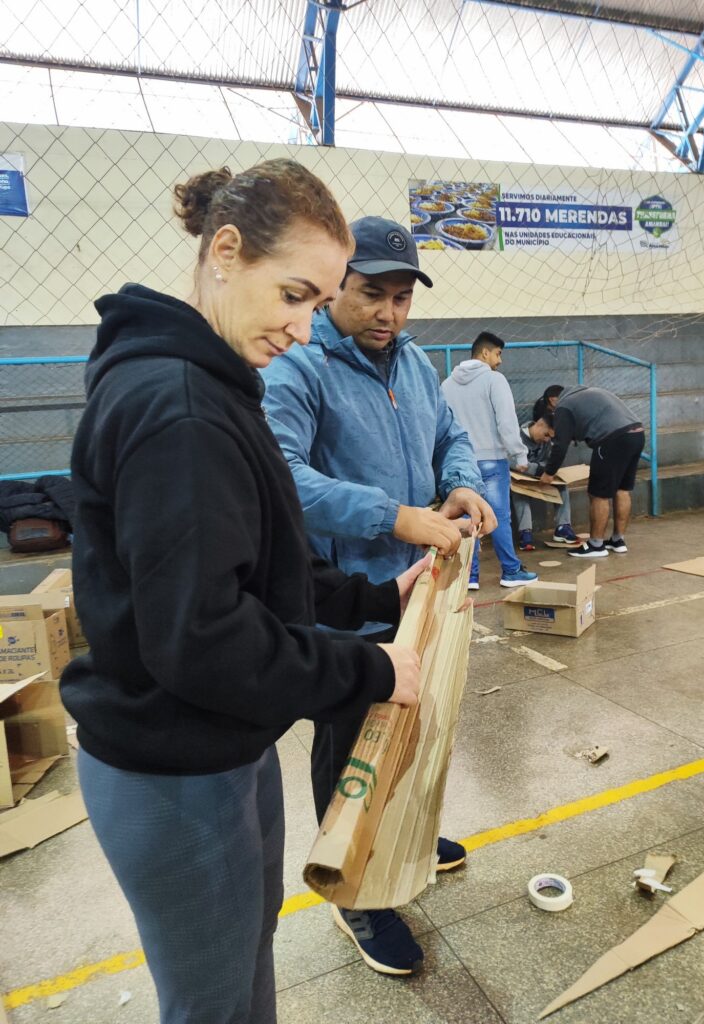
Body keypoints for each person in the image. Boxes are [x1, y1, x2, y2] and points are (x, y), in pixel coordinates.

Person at [59, 162, 430, 1024]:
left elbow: (260, 563)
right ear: (225, 251)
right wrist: (369, 670)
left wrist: (373, 598)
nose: (304, 329)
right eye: (295, 295)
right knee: (215, 1006)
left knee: (241, 976)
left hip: (224, 747)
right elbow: (204, 638)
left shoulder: (213, 386)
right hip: (173, 766)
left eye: (316, 302)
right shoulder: (180, 407)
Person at [262, 215, 496, 977]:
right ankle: (352, 886)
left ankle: (407, 835)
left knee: (414, 722)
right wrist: (392, 516)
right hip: (347, 598)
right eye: (372, 295)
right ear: (335, 289)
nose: (389, 314)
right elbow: (281, 478)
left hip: (421, 587)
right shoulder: (298, 369)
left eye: (402, 298)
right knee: (352, 742)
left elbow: (447, 439)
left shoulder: (416, 363)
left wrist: (459, 480)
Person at [441, 331, 538, 590]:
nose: (500, 360)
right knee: (498, 518)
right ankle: (511, 570)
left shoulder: (446, 385)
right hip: (492, 462)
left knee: (469, 520)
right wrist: (519, 454)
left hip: (461, 464)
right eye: (498, 354)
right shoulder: (495, 381)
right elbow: (506, 422)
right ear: (485, 353)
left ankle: (469, 576)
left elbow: (441, 426)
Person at [539, 384, 645, 557]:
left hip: (612, 439)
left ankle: (596, 544)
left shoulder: (564, 405)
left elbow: (560, 445)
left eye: (551, 411)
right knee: (622, 489)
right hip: (636, 434)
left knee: (598, 494)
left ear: (552, 400)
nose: (554, 415)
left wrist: (549, 473)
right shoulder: (589, 393)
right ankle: (618, 540)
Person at [514, 410, 578, 550]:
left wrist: (545, 471)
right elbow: (513, 463)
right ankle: (525, 533)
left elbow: (549, 461)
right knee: (519, 491)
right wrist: (539, 470)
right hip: (517, 478)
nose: (547, 439)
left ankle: (563, 527)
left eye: (550, 437)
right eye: (546, 435)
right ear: (539, 424)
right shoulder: (515, 436)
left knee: (562, 485)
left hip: (538, 476)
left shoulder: (547, 441)